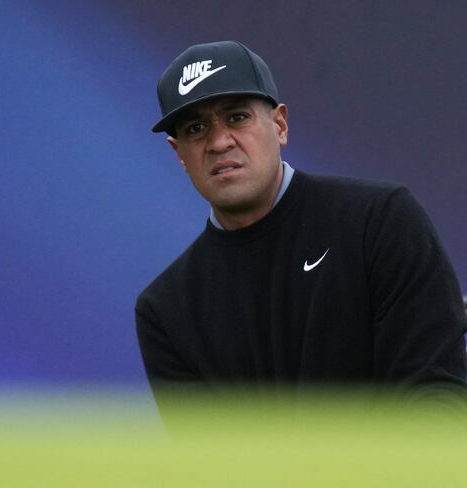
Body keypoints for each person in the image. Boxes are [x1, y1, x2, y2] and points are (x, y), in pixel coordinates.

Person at [135, 41, 467, 407]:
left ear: (279, 125)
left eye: (237, 117)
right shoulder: (166, 309)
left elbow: (437, 399)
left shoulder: (380, 221)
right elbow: (209, 461)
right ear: (178, 153)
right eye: (196, 128)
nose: (218, 141)